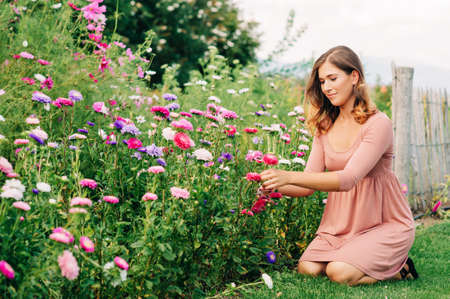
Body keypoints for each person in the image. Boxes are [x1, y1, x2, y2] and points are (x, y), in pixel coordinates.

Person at [260, 45, 418, 286]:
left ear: (354, 77)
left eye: (333, 78)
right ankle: (366, 259)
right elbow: (307, 185)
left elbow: (347, 179)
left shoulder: (378, 124)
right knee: (308, 268)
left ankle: (400, 268)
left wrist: (287, 176)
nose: (327, 88)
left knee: (338, 272)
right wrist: (274, 185)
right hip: (341, 226)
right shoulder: (325, 126)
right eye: (322, 81)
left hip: (384, 223)